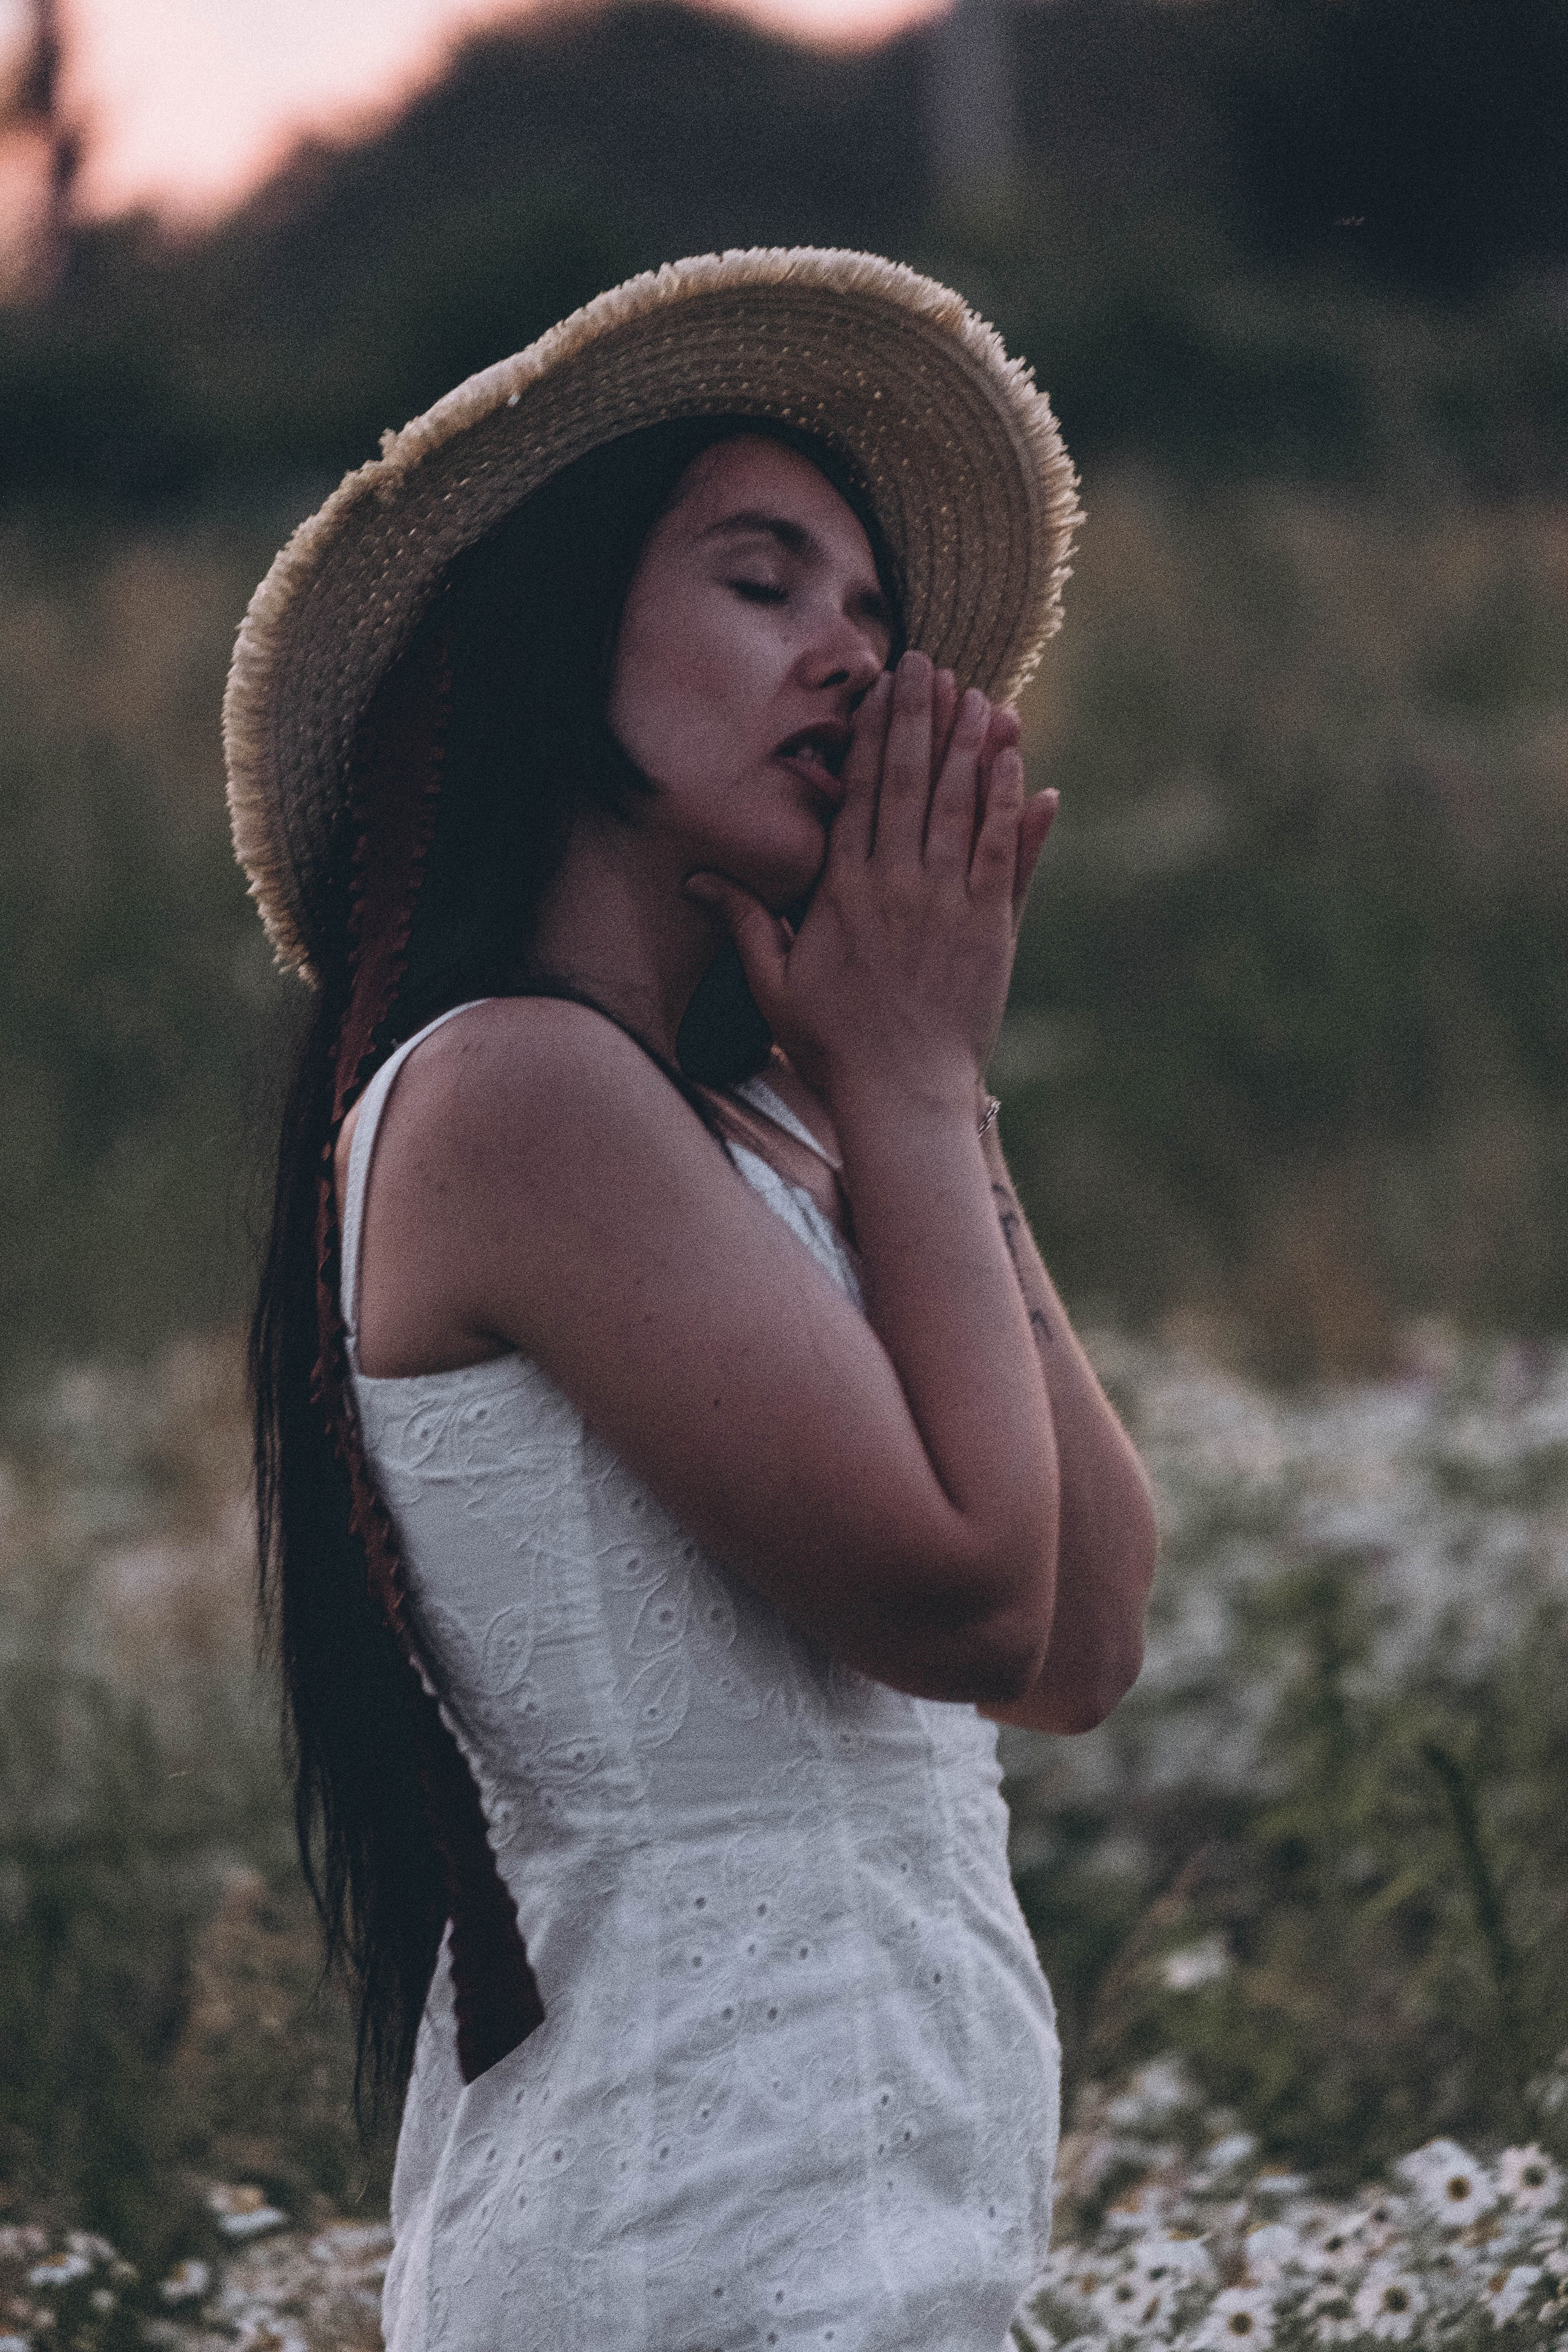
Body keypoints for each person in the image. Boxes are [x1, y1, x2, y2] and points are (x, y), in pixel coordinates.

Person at [227, 249, 1158, 2352]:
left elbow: (1087, 1637)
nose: (851, 657)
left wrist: (930, 1095)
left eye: (872, 617)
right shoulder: (512, 1091)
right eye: (765, 584)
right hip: (686, 2247)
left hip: (887, 2229)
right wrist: (910, 1083)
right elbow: (965, 1603)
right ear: (556, 634)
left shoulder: (781, 1137)